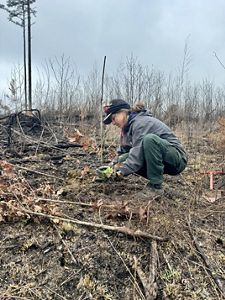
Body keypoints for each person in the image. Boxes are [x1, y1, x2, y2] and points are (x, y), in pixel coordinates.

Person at [103, 99, 187, 196]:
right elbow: (124, 154)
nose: (113, 123)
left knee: (149, 140)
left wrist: (120, 172)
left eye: (114, 118)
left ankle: (155, 187)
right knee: (124, 158)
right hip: (162, 160)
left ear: (123, 112)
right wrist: (111, 167)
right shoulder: (126, 128)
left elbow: (136, 156)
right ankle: (155, 180)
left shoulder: (140, 123)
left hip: (177, 160)